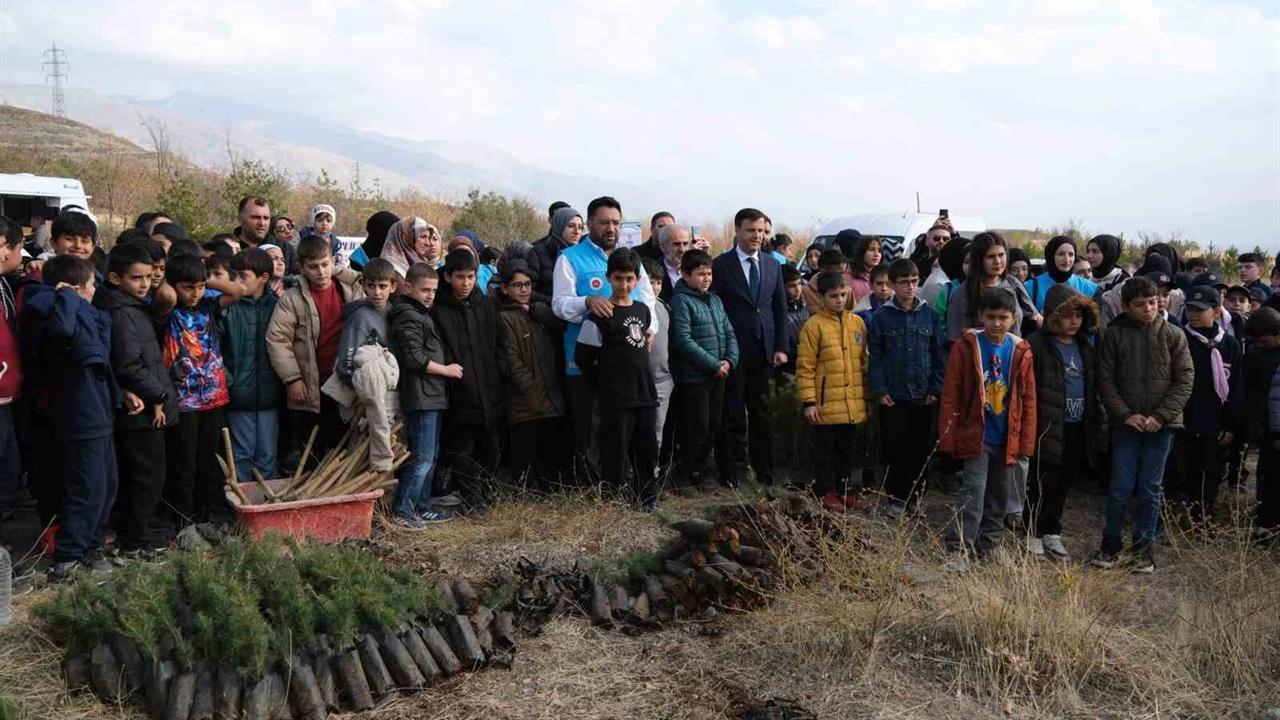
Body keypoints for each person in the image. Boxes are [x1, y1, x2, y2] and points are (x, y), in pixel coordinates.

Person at [23, 256, 119, 579]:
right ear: (76, 288)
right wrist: (67, 297)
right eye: (91, 286)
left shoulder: (87, 316)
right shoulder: (53, 311)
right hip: (79, 415)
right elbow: (63, 333)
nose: (95, 292)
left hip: (100, 411)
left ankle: (91, 546)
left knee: (106, 486)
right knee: (86, 488)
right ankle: (69, 556)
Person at [552, 196, 658, 479]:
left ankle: (628, 482)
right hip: (586, 363)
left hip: (629, 365)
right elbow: (559, 304)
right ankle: (594, 488)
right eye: (604, 223)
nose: (611, 228)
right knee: (592, 428)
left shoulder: (630, 259)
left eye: (615, 222)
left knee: (629, 431)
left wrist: (651, 330)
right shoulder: (569, 258)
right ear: (590, 224)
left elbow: (648, 301)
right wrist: (587, 301)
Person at [1092, 277, 1193, 573]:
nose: (1148, 309)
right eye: (1139, 304)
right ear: (1125, 306)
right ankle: (1110, 544)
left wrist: (1160, 416)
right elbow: (1105, 381)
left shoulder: (1174, 334)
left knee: (1150, 487)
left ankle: (1143, 548)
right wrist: (1125, 414)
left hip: (1162, 426)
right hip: (1127, 425)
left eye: (1152, 302)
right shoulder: (1113, 335)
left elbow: (1185, 380)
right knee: (1121, 486)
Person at [939, 288, 1037, 567]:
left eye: (1003, 317)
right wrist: (948, 435)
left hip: (1008, 437)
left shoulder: (1020, 350)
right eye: (991, 317)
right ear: (980, 315)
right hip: (976, 435)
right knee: (973, 493)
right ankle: (959, 547)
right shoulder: (966, 346)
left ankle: (990, 544)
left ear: (1013, 317)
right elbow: (951, 393)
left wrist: (1026, 442)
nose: (996, 323)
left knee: (1000, 494)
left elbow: (1028, 399)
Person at [95, 244, 177, 556]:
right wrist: (159, 393)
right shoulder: (122, 313)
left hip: (144, 404)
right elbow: (129, 366)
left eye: (148, 277)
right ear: (115, 278)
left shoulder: (131, 306)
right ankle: (134, 540)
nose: (144, 284)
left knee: (145, 475)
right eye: (136, 278)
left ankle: (135, 533)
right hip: (140, 409)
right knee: (148, 476)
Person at [160, 253, 244, 525]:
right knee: (184, 462)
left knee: (210, 461)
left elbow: (239, 290)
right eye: (188, 287)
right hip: (183, 400)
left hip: (214, 396)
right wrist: (170, 283)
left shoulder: (208, 303)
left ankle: (207, 515)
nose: (195, 293)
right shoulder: (167, 309)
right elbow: (165, 296)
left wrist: (205, 280)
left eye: (199, 286)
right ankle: (184, 519)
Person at [267, 235, 364, 461]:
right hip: (310, 385)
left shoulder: (351, 289)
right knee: (311, 448)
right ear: (301, 267)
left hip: (343, 382)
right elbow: (278, 339)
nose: (320, 272)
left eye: (324, 264)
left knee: (341, 445)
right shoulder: (291, 298)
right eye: (313, 267)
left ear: (333, 261)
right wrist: (292, 379)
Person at [575, 249, 659, 509]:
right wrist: (605, 382)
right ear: (609, 278)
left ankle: (646, 497)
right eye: (619, 278)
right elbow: (583, 358)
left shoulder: (643, 310)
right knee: (616, 449)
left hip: (644, 394)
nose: (624, 285)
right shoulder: (599, 316)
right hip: (616, 398)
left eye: (630, 279)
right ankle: (613, 498)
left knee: (646, 450)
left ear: (636, 281)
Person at [712, 208, 788, 487]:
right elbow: (715, 308)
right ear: (738, 231)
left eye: (761, 231)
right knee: (732, 413)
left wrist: (781, 346)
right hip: (733, 352)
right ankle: (731, 471)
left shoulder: (772, 265)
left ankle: (763, 469)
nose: (757, 236)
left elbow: (779, 308)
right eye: (750, 230)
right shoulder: (720, 265)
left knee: (762, 413)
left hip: (765, 352)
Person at [1025, 286, 1099, 560]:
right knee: (1042, 479)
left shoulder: (1085, 347)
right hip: (1047, 424)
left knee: (1066, 478)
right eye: (1067, 315)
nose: (1074, 321)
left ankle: (1051, 531)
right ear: (1053, 315)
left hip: (1077, 424)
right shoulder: (1036, 345)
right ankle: (1031, 531)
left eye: (1079, 315)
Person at [868, 258, 944, 518]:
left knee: (920, 448)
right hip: (894, 394)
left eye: (914, 281)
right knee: (895, 447)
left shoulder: (929, 315)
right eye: (904, 283)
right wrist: (880, 389)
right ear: (892, 285)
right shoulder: (881, 317)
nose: (910, 287)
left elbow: (938, 355)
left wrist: (936, 387)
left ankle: (916, 498)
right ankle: (896, 498)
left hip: (923, 394)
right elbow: (874, 356)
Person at [387, 263, 459, 527]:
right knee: (422, 458)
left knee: (431, 455)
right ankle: (403, 512)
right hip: (421, 396)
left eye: (434, 290)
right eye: (425, 290)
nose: (430, 295)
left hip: (433, 395)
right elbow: (413, 358)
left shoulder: (421, 313)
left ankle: (422, 506)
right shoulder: (407, 315)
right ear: (408, 287)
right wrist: (447, 370)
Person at [1164, 286, 1242, 528]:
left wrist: (1230, 426)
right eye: (1190, 309)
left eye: (1201, 310)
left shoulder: (1229, 345)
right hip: (1183, 419)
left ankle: (1202, 519)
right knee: (1180, 471)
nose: (1194, 314)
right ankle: (1172, 517)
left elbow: (1236, 387)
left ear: (1217, 311)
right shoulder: (1179, 339)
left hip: (1214, 422)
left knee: (1210, 473)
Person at [433, 249, 506, 506]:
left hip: (491, 389)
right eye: (460, 277)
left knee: (491, 449)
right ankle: (472, 500)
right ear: (448, 277)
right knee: (463, 450)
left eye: (471, 277)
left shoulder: (486, 305)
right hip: (460, 391)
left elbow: (499, 343)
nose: (465, 283)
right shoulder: (439, 310)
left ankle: (488, 494)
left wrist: (500, 374)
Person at [797, 271, 869, 512]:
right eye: (833, 296)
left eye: (842, 294)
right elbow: (805, 367)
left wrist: (865, 395)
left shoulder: (857, 322)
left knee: (846, 450)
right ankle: (825, 490)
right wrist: (809, 401)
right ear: (822, 297)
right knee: (825, 450)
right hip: (825, 404)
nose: (839, 300)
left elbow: (863, 360)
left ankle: (844, 489)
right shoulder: (814, 326)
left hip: (851, 402)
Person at [669, 249, 738, 490]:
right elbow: (683, 339)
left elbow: (729, 332)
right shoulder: (681, 301)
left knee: (713, 425)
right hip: (694, 377)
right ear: (686, 275)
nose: (706, 278)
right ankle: (683, 474)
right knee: (696, 427)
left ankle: (699, 470)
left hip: (719, 375)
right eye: (700, 274)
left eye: (709, 273)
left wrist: (729, 360)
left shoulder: (716, 300)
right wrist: (712, 364)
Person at [497, 260, 566, 490]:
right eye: (517, 285)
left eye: (527, 284)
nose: (524, 290)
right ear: (505, 288)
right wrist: (529, 387)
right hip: (525, 399)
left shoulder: (537, 311)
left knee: (549, 451)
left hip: (550, 393)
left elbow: (559, 324)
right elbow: (511, 360)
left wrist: (536, 310)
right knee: (524, 453)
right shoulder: (503, 317)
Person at [222, 248, 281, 484]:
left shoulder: (278, 306)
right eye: (233, 275)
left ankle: (266, 508)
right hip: (238, 394)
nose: (236, 282)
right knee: (241, 455)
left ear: (264, 278)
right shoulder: (228, 308)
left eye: (243, 276)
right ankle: (243, 508)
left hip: (270, 394)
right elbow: (218, 348)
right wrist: (230, 382)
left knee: (267, 455)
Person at [945, 232, 1040, 343]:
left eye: (1001, 255)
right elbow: (956, 339)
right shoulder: (963, 294)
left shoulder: (1013, 283)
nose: (997, 262)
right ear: (979, 260)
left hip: (1013, 354)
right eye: (991, 257)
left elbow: (1035, 317)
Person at [1243, 308, 1280, 539]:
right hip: (1267, 427)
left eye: (1264, 340)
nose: (1260, 344)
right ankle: (1265, 523)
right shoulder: (1255, 356)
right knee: (1268, 477)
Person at [641, 257, 675, 461]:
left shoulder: (664, 307)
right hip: (639, 381)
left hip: (662, 380)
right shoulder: (633, 307)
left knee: (657, 430)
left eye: (658, 282)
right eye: (649, 281)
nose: (654, 287)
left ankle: (652, 473)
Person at [1025, 236, 1099, 312]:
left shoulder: (1090, 288)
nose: (1066, 259)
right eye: (1061, 254)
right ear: (1051, 256)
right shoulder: (1030, 287)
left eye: (1071, 255)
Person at [529, 206, 584, 302]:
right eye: (571, 226)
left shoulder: (583, 256)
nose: (577, 231)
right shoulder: (538, 253)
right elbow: (528, 290)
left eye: (580, 227)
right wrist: (556, 303)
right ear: (559, 226)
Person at [236, 196, 296, 273]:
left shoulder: (285, 249)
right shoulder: (228, 247)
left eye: (266, 218)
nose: (262, 223)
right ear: (240, 219)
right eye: (256, 217)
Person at [780, 264, 809, 376]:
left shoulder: (803, 307)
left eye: (799, 284)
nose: (797, 290)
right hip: (788, 367)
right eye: (792, 286)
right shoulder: (777, 312)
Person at [915, 222, 954, 306]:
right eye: (936, 238)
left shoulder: (954, 268)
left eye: (946, 239)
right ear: (927, 241)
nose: (941, 242)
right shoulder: (917, 266)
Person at [655, 224, 692, 302]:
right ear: (663, 247)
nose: (682, 250)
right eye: (676, 244)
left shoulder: (696, 269)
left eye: (685, 244)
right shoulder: (653, 271)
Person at [847, 235, 883, 303]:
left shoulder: (884, 276)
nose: (876, 254)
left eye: (879, 251)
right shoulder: (848, 277)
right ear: (862, 252)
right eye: (871, 249)